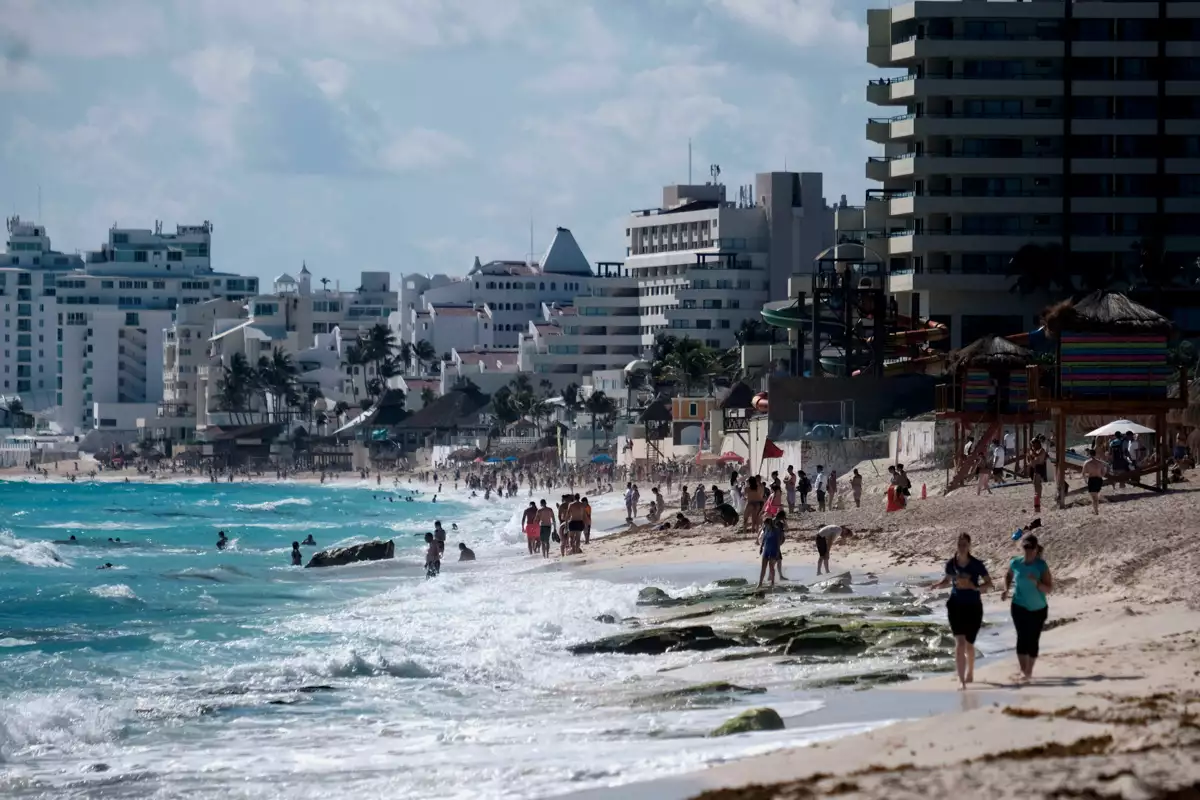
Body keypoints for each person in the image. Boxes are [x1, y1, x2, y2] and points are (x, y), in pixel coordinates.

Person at [928, 533, 992, 690]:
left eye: (964, 544)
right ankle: (962, 681)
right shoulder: (951, 564)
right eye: (959, 544)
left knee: (969, 644)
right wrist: (937, 585)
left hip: (973, 606)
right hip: (955, 605)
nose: (962, 547)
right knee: (960, 643)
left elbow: (989, 584)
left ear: (969, 545)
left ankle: (970, 672)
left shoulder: (977, 564)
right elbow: (946, 581)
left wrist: (975, 587)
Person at [1003, 535, 1052, 681]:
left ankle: (1029, 670)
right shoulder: (1016, 563)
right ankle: (1024, 670)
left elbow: (1049, 589)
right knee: (1022, 637)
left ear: (1036, 549)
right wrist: (1006, 589)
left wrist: (1036, 582)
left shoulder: (1041, 566)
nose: (1028, 551)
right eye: (1026, 548)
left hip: (1038, 608)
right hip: (1019, 605)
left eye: (1031, 548)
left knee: (1033, 640)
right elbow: (1008, 575)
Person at [756, 517, 783, 588]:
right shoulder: (765, 529)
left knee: (771, 567)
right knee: (763, 567)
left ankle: (772, 582)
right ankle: (760, 583)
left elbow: (778, 541)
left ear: (769, 523)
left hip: (773, 550)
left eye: (765, 524)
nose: (764, 525)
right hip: (766, 549)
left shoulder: (776, 530)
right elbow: (764, 538)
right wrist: (761, 547)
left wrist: (777, 551)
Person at [1082, 448, 1107, 515]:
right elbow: (1104, 471)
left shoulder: (1087, 463)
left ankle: (1096, 511)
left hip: (1092, 479)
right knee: (1096, 496)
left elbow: (1083, 473)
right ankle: (1096, 510)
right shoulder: (1100, 462)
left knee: (1094, 497)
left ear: (1089, 454)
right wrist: (1101, 475)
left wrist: (1085, 481)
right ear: (1095, 454)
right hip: (1099, 479)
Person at [1028, 437, 1048, 512]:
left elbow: (1037, 456)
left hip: (1040, 467)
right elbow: (1032, 458)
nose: (1033, 446)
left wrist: (1032, 451)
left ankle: (1038, 495)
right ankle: (1038, 494)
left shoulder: (1041, 450)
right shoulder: (1037, 450)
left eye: (1033, 444)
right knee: (1035, 482)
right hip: (1037, 467)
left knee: (1037, 482)